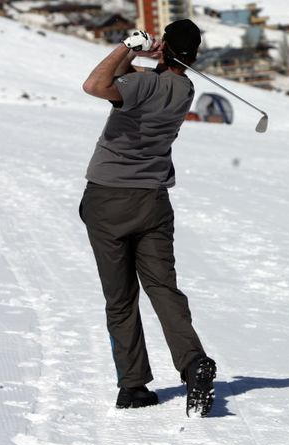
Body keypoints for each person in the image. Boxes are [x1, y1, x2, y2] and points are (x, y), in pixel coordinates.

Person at [78, 19, 216, 417]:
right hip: (153, 202)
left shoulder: (142, 86)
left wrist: (128, 45)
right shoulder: (184, 89)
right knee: (164, 289)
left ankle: (134, 386)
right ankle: (193, 364)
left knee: (121, 298)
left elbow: (95, 84)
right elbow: (128, 81)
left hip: (108, 200)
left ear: (167, 47)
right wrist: (145, 57)